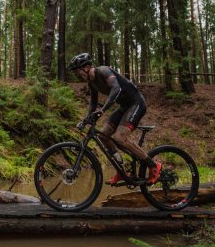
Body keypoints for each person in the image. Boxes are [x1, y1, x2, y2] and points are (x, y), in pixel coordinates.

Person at [68, 52, 161, 185]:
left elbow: (116, 89)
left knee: (119, 138)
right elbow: (93, 104)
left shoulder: (103, 70)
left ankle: (153, 165)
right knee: (103, 136)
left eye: (77, 71)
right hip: (124, 106)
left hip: (136, 103)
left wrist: (102, 110)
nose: (76, 74)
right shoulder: (91, 83)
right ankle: (121, 171)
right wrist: (86, 119)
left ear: (87, 67)